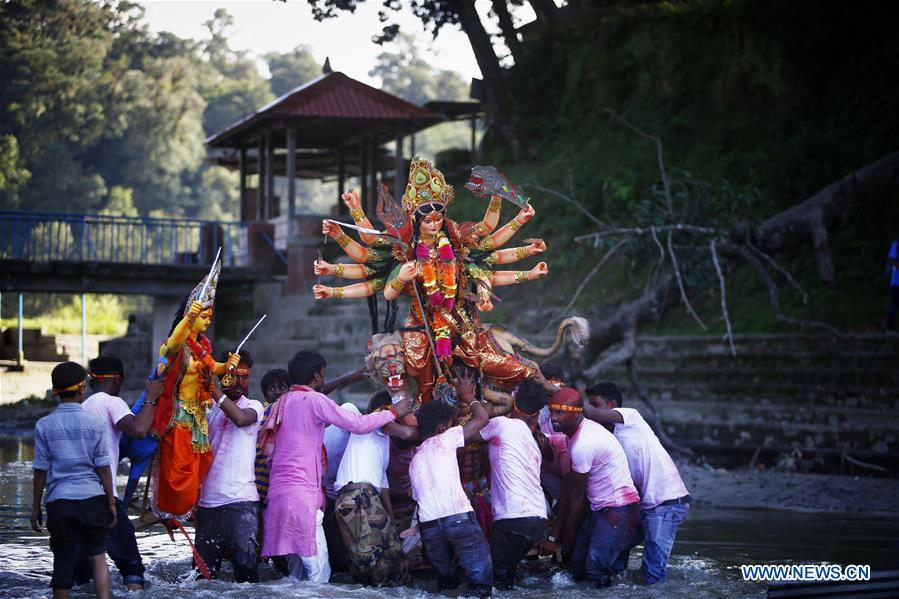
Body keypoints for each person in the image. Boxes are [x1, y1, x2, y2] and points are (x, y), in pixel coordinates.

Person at [313, 158, 546, 402]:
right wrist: (353, 217)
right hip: (421, 325)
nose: (434, 224)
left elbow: (490, 242)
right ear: (416, 221)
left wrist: (524, 244)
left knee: (487, 360)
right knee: (418, 369)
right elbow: (377, 274)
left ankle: (514, 391)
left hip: (461, 320)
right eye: (427, 220)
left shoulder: (456, 244)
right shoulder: (405, 250)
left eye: (438, 218)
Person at [260, 351, 412, 583]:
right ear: (318, 376)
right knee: (319, 575)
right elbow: (358, 424)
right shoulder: (313, 401)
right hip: (302, 497)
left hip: (278, 496)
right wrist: (393, 412)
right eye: (323, 375)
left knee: (294, 576)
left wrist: (349, 379)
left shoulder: (281, 402)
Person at [151, 262, 240, 519]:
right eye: (204, 316)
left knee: (200, 468)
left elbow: (216, 369)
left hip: (199, 420)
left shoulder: (203, 348)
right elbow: (173, 343)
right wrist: (189, 318)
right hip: (179, 420)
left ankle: (191, 511)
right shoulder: (177, 346)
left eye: (209, 316)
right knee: (179, 470)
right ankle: (172, 511)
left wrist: (229, 365)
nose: (208, 321)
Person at [584, 382, 690, 584]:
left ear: (613, 404)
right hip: (641, 506)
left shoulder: (630, 417)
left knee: (653, 571)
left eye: (596, 404)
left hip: (666, 504)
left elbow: (591, 414)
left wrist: (557, 392)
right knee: (615, 550)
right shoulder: (608, 439)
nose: (592, 410)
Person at [73, 356, 163, 591]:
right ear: (118, 380)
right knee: (132, 568)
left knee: (80, 575)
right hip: (103, 499)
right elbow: (139, 430)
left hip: (75, 502)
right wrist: (151, 399)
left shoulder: (83, 408)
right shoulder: (112, 402)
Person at [31, 362, 117, 599]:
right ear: (81, 390)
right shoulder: (95, 424)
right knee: (98, 556)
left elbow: (40, 470)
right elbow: (103, 467)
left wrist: (36, 506)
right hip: (91, 499)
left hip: (59, 502)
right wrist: (111, 502)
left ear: (55, 391)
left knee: (63, 560)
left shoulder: (44, 425)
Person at [546, 387, 641, 588]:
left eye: (560, 412)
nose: (553, 418)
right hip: (602, 510)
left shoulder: (584, 443)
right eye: (552, 411)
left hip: (618, 510)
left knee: (594, 571)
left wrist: (567, 537)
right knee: (577, 569)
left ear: (578, 413)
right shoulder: (573, 433)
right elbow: (570, 489)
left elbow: (576, 495)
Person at [409, 371, 493, 598]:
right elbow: (482, 419)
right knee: (481, 585)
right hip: (459, 520)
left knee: (445, 586)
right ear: (442, 429)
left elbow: (417, 500)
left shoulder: (415, 459)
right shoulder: (445, 439)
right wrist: (469, 395)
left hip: (430, 529)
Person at [333, 391, 417, 586]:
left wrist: (390, 518)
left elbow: (383, 484)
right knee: (378, 562)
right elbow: (408, 433)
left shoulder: (381, 441)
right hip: (359, 497)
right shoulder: (373, 421)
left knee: (386, 557)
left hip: (361, 497)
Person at [194, 350, 264, 582]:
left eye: (245, 377)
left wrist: (214, 390)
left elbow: (241, 419)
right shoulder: (205, 407)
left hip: (242, 504)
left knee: (247, 578)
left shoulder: (253, 406)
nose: (240, 382)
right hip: (207, 505)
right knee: (202, 579)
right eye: (235, 375)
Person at [474, 377, 548, 590]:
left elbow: (464, 435)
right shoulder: (530, 437)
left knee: (494, 584)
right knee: (508, 579)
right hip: (537, 519)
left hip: (513, 520)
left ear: (513, 399)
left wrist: (472, 400)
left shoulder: (502, 425)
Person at [887, 239, 899, 332]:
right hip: (896, 282)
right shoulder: (896, 244)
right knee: (893, 305)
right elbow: (892, 261)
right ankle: (890, 329)